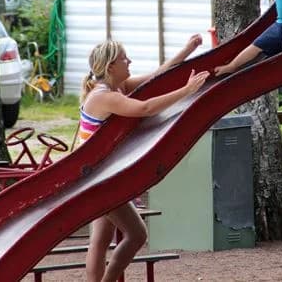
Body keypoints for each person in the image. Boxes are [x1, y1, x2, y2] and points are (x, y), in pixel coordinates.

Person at [79, 35, 210, 282]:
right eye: (124, 59)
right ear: (110, 67)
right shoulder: (104, 96)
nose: (129, 61)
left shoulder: (117, 87)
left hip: (97, 175)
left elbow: (158, 74)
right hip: (99, 178)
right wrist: (187, 90)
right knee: (136, 235)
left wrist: (187, 50)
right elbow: (145, 108)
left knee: (101, 238)